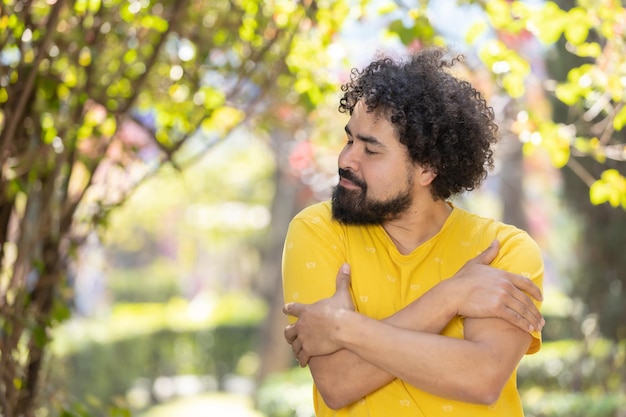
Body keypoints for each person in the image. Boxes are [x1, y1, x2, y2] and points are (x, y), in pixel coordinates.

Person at [281, 47, 545, 417]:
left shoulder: (503, 251)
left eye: (370, 151)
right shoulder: (318, 230)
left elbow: (481, 377)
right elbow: (338, 384)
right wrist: (453, 295)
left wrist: (342, 327)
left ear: (426, 169)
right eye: (349, 140)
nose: (345, 160)